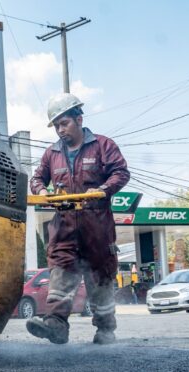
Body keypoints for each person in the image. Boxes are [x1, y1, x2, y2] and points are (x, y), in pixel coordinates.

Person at [26, 93, 130, 345]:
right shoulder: (51, 154)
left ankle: (105, 330)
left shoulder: (103, 145)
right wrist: (41, 191)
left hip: (97, 228)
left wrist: (103, 189)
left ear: (79, 119)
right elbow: (37, 178)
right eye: (57, 125)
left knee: (100, 279)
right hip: (64, 227)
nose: (60, 130)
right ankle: (56, 325)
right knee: (60, 273)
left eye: (64, 123)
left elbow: (121, 172)